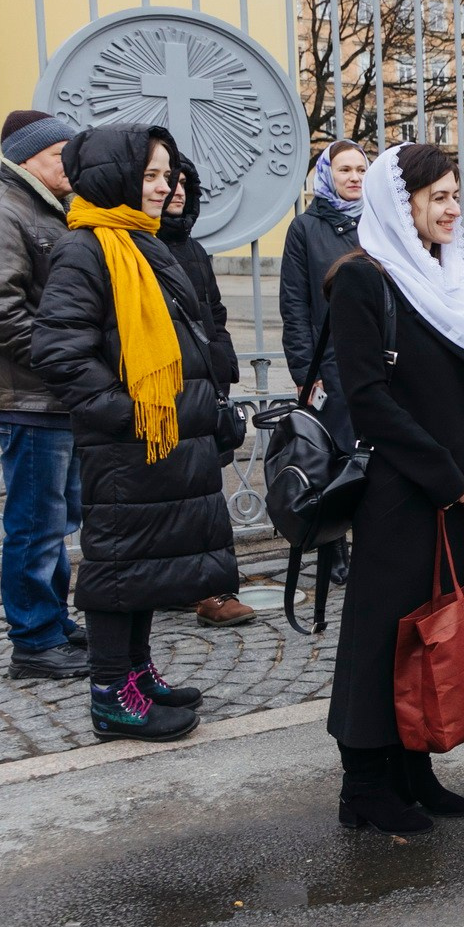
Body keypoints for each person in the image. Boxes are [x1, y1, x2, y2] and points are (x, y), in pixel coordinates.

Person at [31, 124, 235, 743]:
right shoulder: (89, 247)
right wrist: (126, 414)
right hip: (128, 447)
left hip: (162, 442)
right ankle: (109, 694)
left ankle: (136, 675)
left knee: (145, 565)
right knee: (119, 569)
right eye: (149, 174)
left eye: (166, 173)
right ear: (113, 177)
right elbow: (59, 352)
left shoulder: (142, 242)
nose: (163, 185)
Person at [326, 143, 464, 835]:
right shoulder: (363, 280)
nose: (453, 208)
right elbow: (369, 400)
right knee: (382, 636)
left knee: (435, 636)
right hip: (401, 490)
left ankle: (416, 767)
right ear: (403, 204)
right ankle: (364, 783)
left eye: (457, 194)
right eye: (438, 197)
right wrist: (447, 478)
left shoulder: (445, 273)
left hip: (456, 492)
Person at [0, 110, 87, 679]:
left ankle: (52, 622)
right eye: (60, 153)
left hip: (48, 396)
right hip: (28, 397)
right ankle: (34, 641)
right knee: (36, 523)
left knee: (55, 518)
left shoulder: (44, 209)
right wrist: (63, 359)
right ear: (27, 156)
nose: (70, 163)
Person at [161, 155, 256, 629]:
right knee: (166, 495)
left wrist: (222, 365)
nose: (176, 191)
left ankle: (213, 590)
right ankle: (181, 585)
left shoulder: (193, 249)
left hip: (202, 388)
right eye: (166, 183)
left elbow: (213, 313)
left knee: (205, 493)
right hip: (160, 387)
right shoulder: (137, 246)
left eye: (183, 184)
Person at [280, 139, 368, 587]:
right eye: (344, 169)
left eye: (360, 169)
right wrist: (304, 371)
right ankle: (334, 549)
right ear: (326, 174)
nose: (354, 177)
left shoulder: (379, 222)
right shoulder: (305, 228)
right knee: (334, 459)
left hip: (377, 360)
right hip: (330, 364)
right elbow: (294, 304)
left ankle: (375, 542)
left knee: (374, 456)